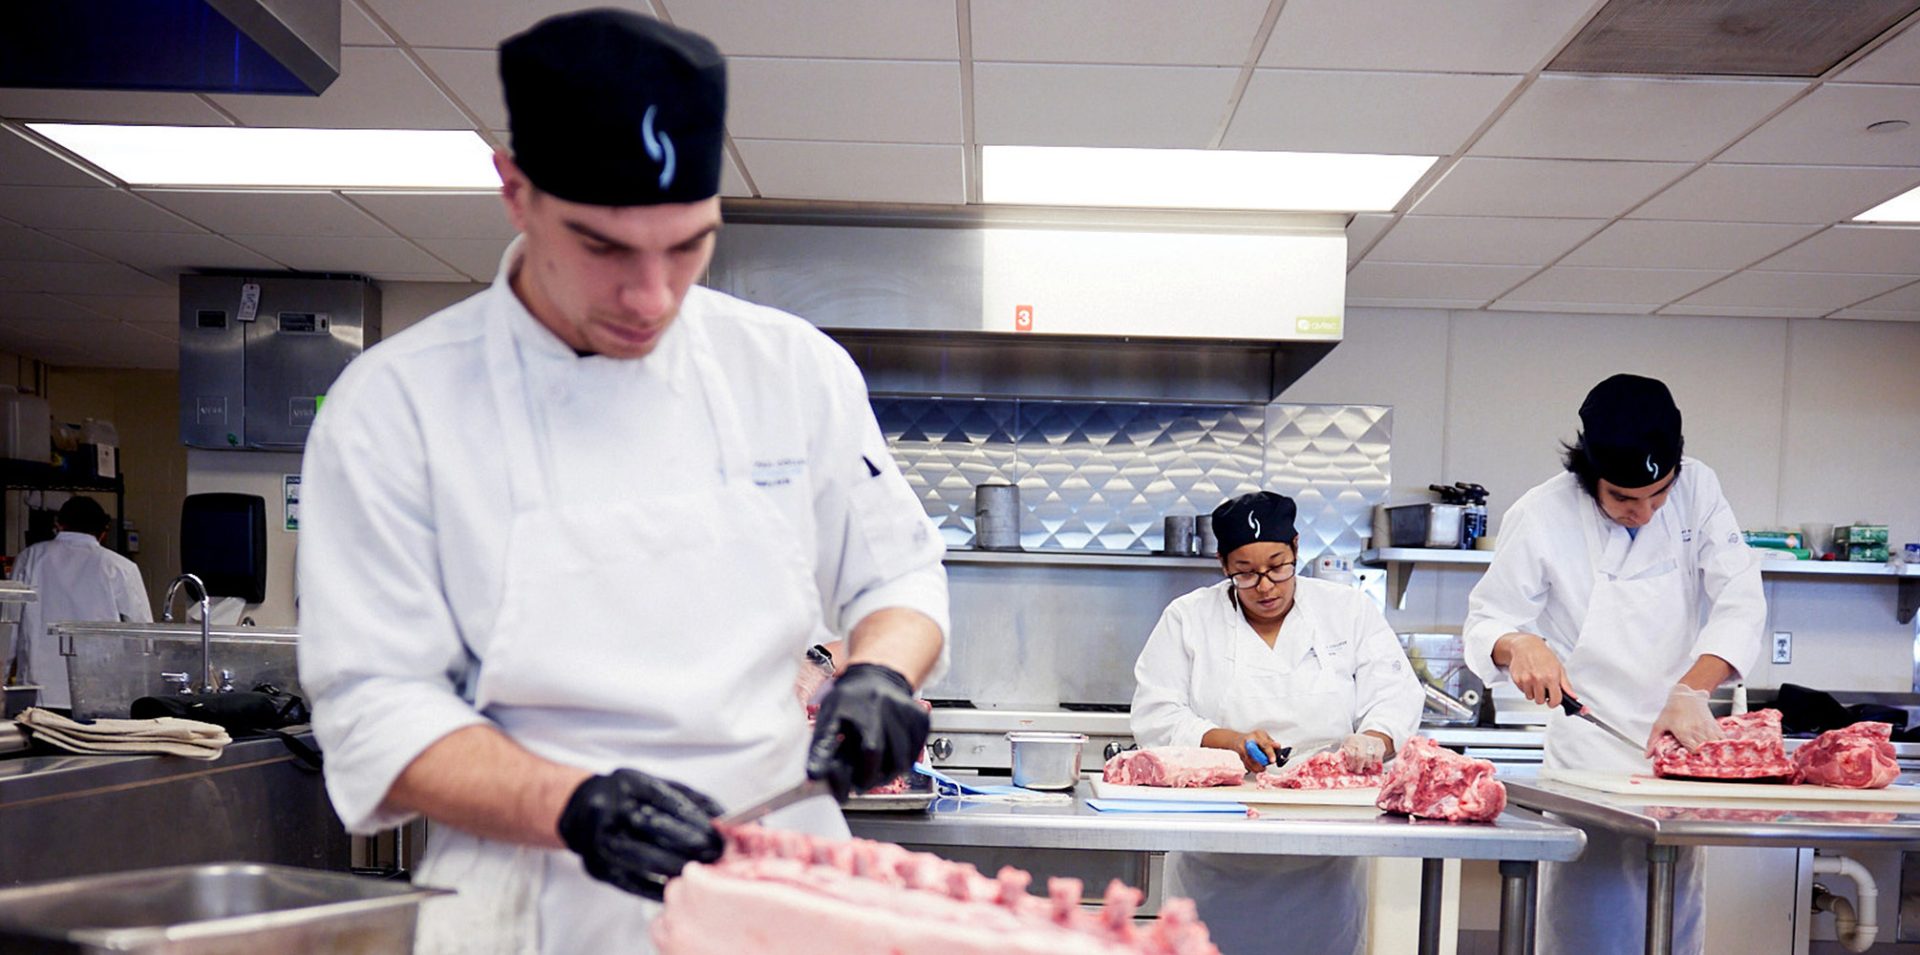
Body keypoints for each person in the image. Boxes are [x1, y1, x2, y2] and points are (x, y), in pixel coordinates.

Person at [295, 10, 948, 953]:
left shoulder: (791, 368)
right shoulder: (396, 407)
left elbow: (897, 576)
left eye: (688, 246)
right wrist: (575, 805)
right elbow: (373, 710)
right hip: (534, 894)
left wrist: (883, 670)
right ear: (514, 190)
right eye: (603, 248)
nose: (652, 298)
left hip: (780, 874)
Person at [1463, 373, 1764, 955]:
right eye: (1624, 498)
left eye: (1658, 495)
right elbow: (1487, 621)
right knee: (1589, 924)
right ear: (1587, 474)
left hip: (1678, 747)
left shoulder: (1700, 489)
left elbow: (1740, 599)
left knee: (1673, 917)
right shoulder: (1543, 513)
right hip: (1587, 757)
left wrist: (1692, 691)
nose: (1645, 513)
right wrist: (1519, 645)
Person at [1131, 490, 1422, 955]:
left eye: (1277, 566)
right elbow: (1155, 713)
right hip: (1218, 847)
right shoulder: (1188, 618)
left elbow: (1394, 692)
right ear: (1223, 564)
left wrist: (1375, 737)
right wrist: (1226, 742)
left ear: (1296, 548)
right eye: (1245, 573)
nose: (1265, 586)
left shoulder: (1347, 610)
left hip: (1327, 845)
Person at [8, 495, 151, 710]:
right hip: (100, 694)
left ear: (58, 524)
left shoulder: (30, 558)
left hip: (38, 696)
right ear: (104, 532)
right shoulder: (120, 567)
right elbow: (143, 636)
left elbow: (9, 625)